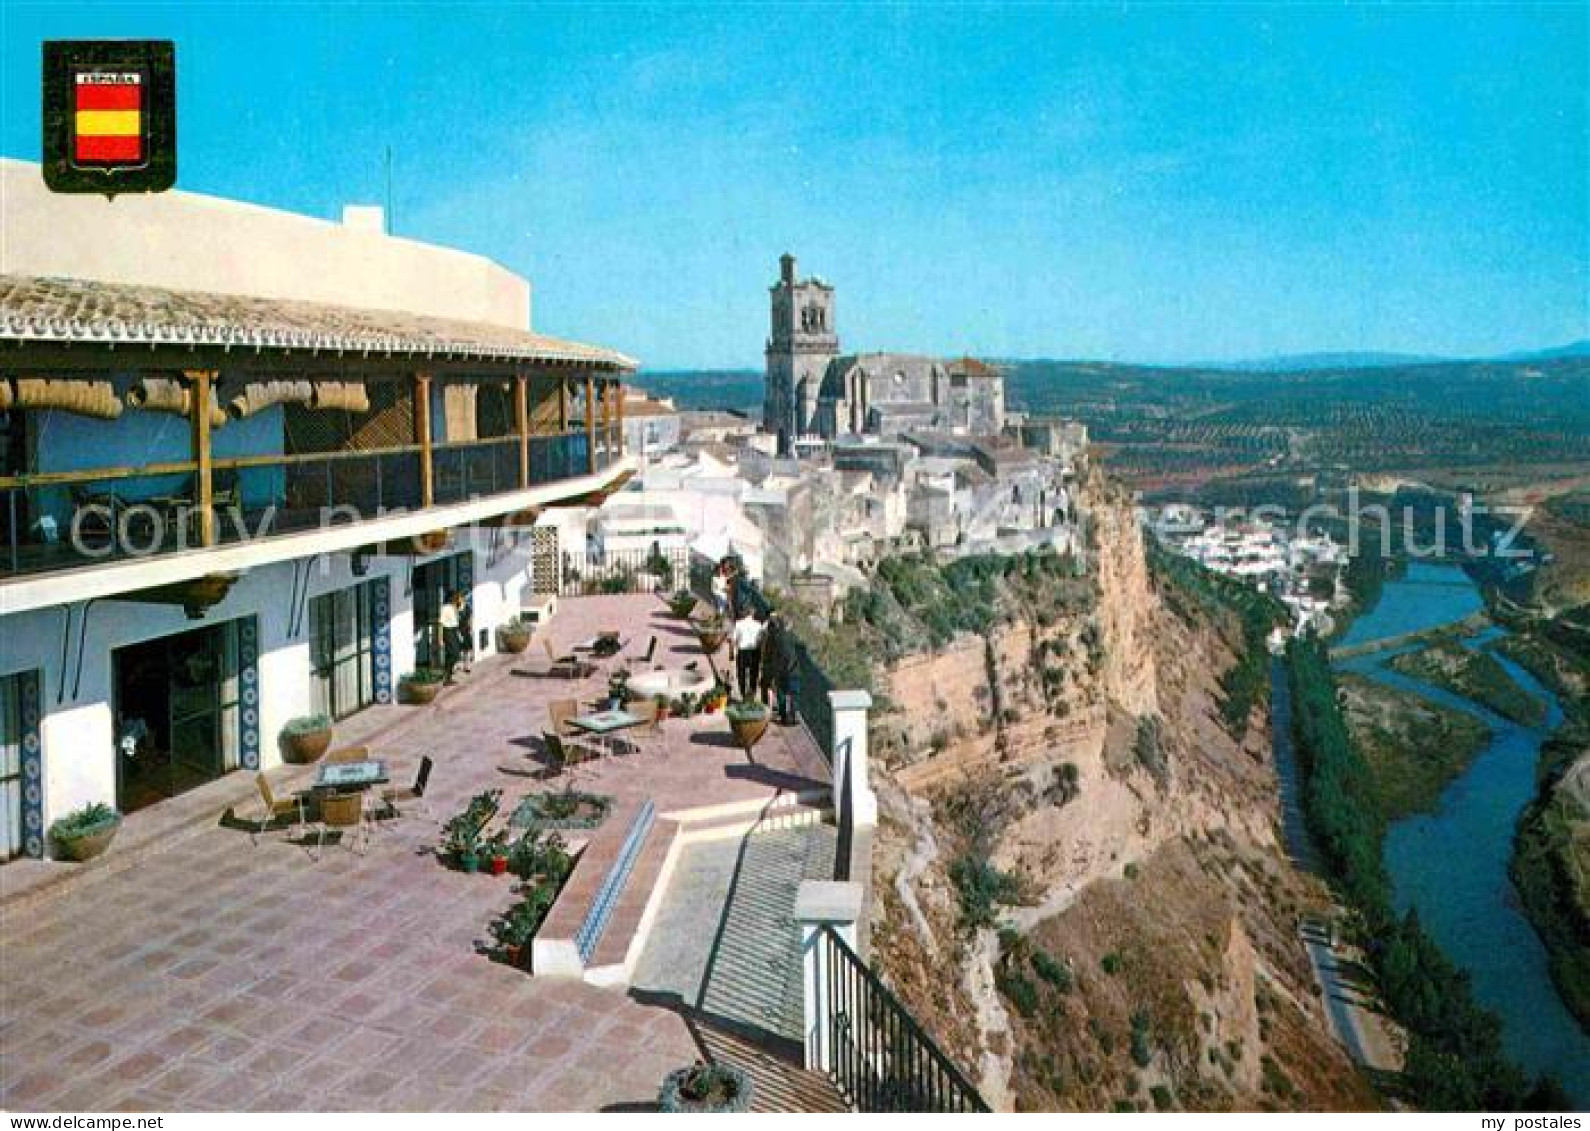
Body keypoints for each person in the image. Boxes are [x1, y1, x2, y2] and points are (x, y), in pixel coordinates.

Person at [760, 610, 799, 723]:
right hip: (793, 669)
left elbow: (769, 653)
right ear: (788, 625)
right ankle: (793, 715)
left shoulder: (773, 636)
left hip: (779, 669)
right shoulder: (792, 637)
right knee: (793, 693)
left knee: (781, 693)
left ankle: (783, 716)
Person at [731, 605, 765, 700]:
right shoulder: (759, 625)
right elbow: (761, 641)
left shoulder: (738, 624)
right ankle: (752, 693)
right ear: (753, 614)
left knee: (741, 673)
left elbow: (733, 640)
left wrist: (732, 653)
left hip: (743, 651)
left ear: (745, 613)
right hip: (755, 651)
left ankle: (743, 694)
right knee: (754, 673)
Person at [438, 590, 465, 684]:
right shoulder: (445, 608)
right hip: (447, 631)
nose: (457, 598)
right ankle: (446, 675)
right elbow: (440, 624)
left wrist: (461, 598)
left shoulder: (455, 607)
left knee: (453, 654)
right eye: (455, 596)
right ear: (451, 598)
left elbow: (462, 605)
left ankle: (447, 676)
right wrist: (440, 638)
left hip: (454, 631)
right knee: (454, 654)